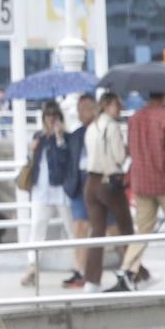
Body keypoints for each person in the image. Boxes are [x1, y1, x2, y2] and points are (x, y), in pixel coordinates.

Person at [119, 90, 165, 289]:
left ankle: (128, 270)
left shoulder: (134, 119)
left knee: (143, 232)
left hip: (141, 183)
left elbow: (130, 150)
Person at [83, 92, 135, 292]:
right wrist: (127, 150)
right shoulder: (112, 127)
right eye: (116, 104)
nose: (119, 107)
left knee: (97, 232)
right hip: (109, 182)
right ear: (106, 105)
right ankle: (135, 272)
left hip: (91, 182)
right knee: (126, 227)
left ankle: (91, 280)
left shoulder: (92, 127)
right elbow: (119, 157)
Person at [21, 102, 74, 288]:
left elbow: (65, 161)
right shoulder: (39, 137)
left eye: (55, 115)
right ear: (43, 118)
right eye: (48, 115)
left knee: (72, 227)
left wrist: (59, 139)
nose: (51, 119)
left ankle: (80, 266)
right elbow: (32, 164)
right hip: (40, 189)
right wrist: (31, 150)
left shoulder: (66, 137)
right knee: (37, 227)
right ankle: (32, 267)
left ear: (60, 117)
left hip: (60, 189)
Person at [61, 93, 97, 289]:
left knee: (109, 228)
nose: (81, 113)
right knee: (80, 227)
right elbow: (65, 161)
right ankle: (80, 270)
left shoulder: (100, 131)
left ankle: (134, 268)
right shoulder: (74, 136)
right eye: (80, 109)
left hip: (96, 180)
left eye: (85, 108)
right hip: (77, 183)